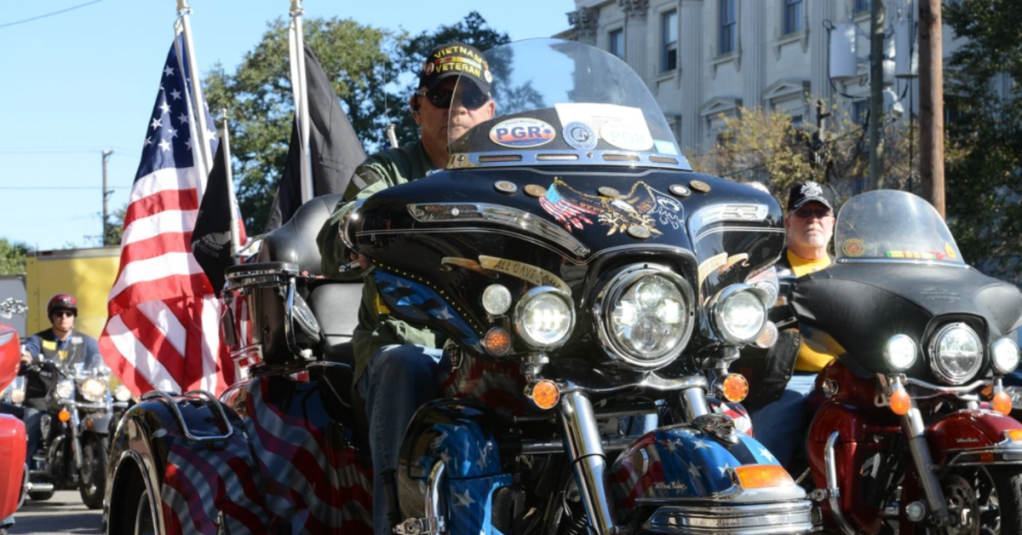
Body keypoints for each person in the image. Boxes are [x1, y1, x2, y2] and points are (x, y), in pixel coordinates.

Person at [316, 41, 496, 535]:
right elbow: (335, 236)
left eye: (469, 97)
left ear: (490, 110)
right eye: (441, 96)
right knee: (405, 362)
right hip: (410, 343)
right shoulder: (387, 172)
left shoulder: (514, 176)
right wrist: (364, 226)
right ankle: (397, 522)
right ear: (418, 108)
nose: (455, 110)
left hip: (501, 346)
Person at [749, 181, 836, 468]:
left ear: (833, 222)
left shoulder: (850, 272)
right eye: (804, 213)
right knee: (765, 464)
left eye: (821, 213)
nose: (813, 219)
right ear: (788, 222)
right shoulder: (765, 273)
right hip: (789, 381)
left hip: (848, 380)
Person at [19, 293, 102, 467]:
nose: (64, 317)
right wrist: (26, 359)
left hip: (77, 399)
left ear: (74, 317)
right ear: (51, 316)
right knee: (28, 436)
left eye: (68, 313)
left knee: (103, 419)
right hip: (41, 399)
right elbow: (28, 352)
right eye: (59, 313)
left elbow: (100, 358)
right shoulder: (38, 339)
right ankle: (21, 479)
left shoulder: (86, 341)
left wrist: (104, 369)